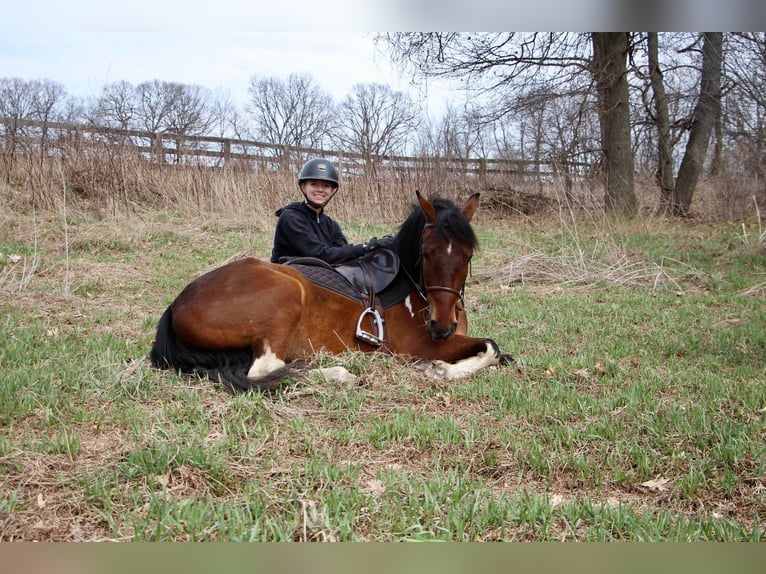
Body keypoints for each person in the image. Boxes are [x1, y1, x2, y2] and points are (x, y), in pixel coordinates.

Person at [270, 158, 392, 264]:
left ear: (332, 190)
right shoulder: (291, 217)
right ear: (303, 187)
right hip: (287, 275)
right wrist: (365, 247)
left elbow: (342, 252)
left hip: (315, 274)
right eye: (313, 184)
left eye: (326, 186)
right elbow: (318, 254)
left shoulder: (330, 223)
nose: (320, 190)